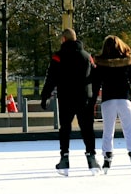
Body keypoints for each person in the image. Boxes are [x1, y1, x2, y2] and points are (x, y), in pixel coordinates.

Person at [41, 28, 99, 176]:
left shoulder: (58, 57)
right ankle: (91, 157)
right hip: (84, 98)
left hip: (66, 97)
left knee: (65, 128)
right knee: (87, 128)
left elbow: (51, 78)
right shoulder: (87, 56)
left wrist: (45, 96)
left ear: (64, 39)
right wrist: (92, 96)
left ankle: (64, 158)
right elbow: (95, 77)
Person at [92, 35, 131, 172]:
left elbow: (95, 86)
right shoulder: (126, 63)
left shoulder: (101, 64)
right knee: (129, 129)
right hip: (124, 99)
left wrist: (91, 102)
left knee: (108, 130)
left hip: (108, 100)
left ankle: (107, 157)